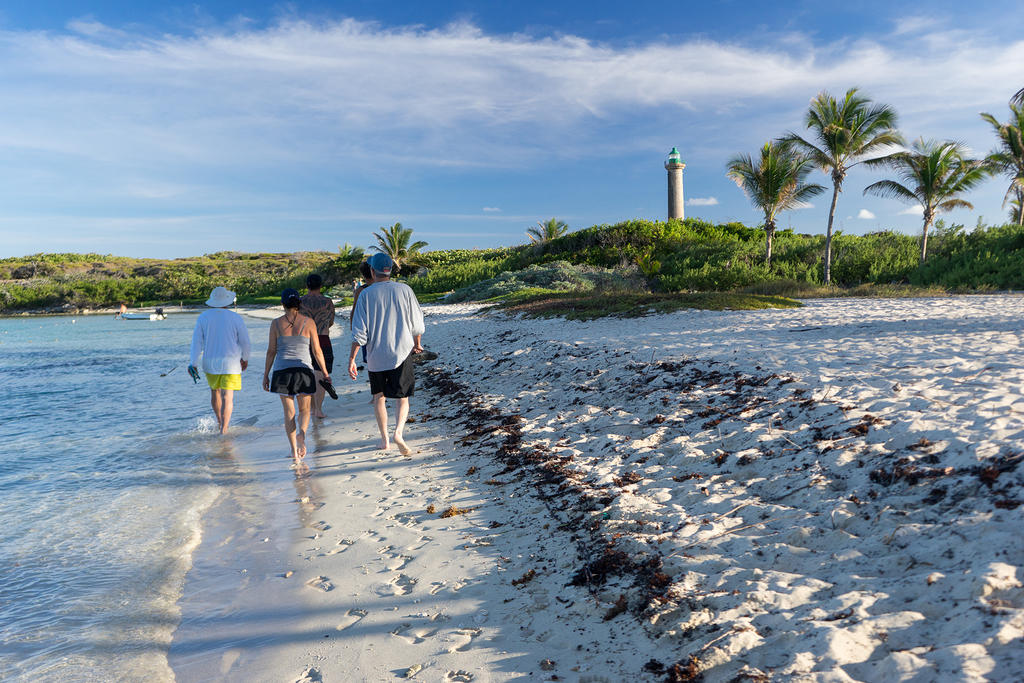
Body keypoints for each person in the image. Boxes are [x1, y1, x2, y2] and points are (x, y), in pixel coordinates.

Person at [348, 253, 425, 455]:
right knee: (403, 398)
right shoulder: (405, 290)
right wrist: (418, 344)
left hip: (375, 357)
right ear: (390, 270)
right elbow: (417, 323)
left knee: (379, 397)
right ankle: (398, 433)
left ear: (372, 271)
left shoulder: (365, 294)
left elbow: (359, 333)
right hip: (401, 352)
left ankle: (384, 440)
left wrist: (352, 359)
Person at [264, 288, 330, 460]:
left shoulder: (276, 324)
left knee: (289, 413)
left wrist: (265, 375)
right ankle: (301, 433)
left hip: (282, 372)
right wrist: (324, 372)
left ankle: (294, 451)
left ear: (282, 304)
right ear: (299, 304)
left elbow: (271, 351)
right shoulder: (309, 323)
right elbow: (317, 350)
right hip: (304, 371)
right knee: (305, 409)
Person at [189, 286, 251, 435]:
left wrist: (193, 364)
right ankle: (224, 429)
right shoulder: (235, 317)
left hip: (210, 362)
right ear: (227, 301)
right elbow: (245, 342)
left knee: (215, 392)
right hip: (231, 363)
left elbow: (196, 342)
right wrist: (245, 358)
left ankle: (219, 421)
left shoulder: (203, 317)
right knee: (227, 396)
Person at [300, 273, 336, 419]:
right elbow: (331, 321)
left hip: (304, 339)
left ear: (307, 286)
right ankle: (318, 410)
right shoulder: (327, 302)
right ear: (321, 286)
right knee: (320, 375)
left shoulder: (300, 301)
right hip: (323, 338)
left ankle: (311, 408)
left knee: (308, 374)